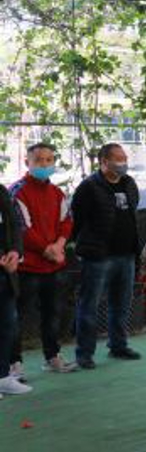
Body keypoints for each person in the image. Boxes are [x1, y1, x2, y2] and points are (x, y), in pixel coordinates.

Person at [72, 142, 142, 370]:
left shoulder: (129, 183)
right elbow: (77, 220)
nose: (123, 163)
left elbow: (132, 211)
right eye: (118, 159)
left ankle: (118, 346)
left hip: (127, 255)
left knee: (121, 305)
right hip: (98, 257)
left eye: (124, 159)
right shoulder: (88, 187)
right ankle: (84, 354)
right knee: (89, 306)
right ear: (104, 162)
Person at [9, 142, 76, 376]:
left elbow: (67, 221)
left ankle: (52, 357)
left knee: (53, 314)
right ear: (28, 163)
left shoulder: (57, 193)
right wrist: (47, 249)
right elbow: (21, 228)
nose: (45, 164)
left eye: (49, 160)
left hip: (54, 267)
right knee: (15, 317)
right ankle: (13, 364)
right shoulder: (17, 191)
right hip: (26, 268)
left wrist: (58, 245)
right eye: (39, 160)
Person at [0, 182, 27, 397]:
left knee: (7, 325)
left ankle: (2, 377)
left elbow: (15, 226)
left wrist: (15, 253)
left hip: (6, 274)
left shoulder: (1, 191)